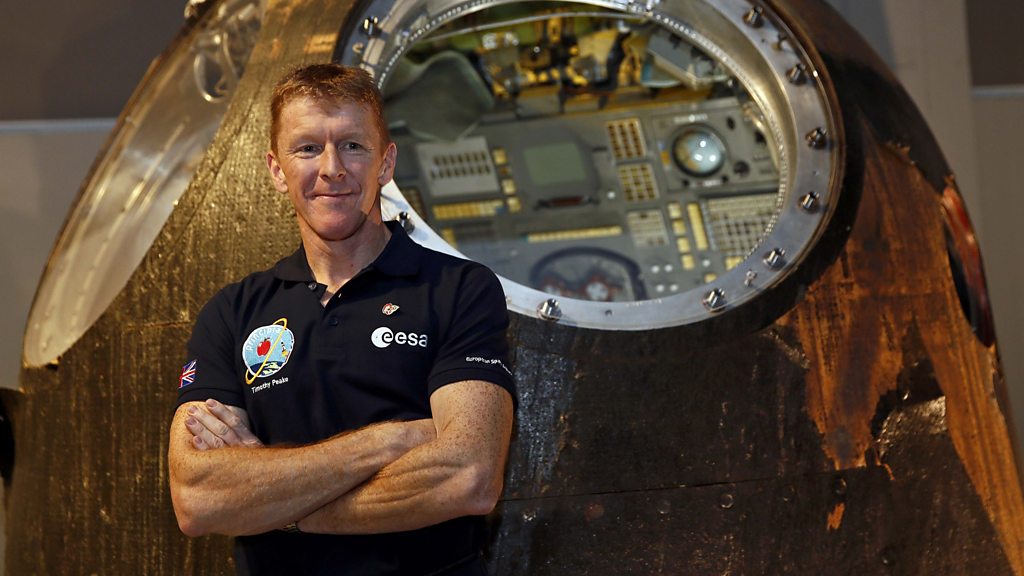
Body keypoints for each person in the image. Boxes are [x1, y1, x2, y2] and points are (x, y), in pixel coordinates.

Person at [168, 63, 516, 576]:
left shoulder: (458, 289)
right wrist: (390, 440)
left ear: (386, 162)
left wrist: (279, 510)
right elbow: (198, 500)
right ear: (276, 170)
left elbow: (468, 477)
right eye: (307, 148)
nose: (332, 168)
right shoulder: (234, 311)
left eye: (352, 145)